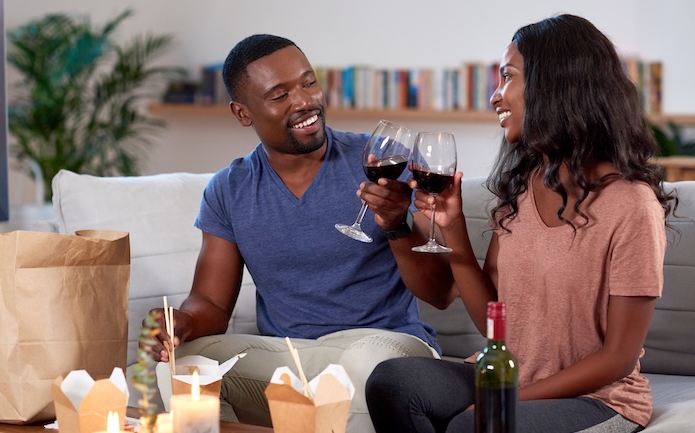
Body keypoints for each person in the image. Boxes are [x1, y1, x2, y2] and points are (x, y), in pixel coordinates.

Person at [366, 14, 678, 433]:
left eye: (508, 77)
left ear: (554, 85)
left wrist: (504, 400)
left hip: (600, 400)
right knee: (394, 382)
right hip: (509, 377)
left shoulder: (631, 204)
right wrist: (452, 227)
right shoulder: (523, 189)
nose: (496, 96)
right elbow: (494, 324)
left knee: (475, 426)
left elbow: (618, 357)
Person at [144, 34, 456, 432]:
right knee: (185, 367)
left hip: (384, 347)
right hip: (289, 354)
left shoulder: (383, 160)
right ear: (243, 113)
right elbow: (210, 303)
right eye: (280, 94)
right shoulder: (230, 189)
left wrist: (396, 225)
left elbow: (441, 292)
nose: (305, 101)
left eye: (308, 83)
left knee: (365, 371)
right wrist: (179, 323)